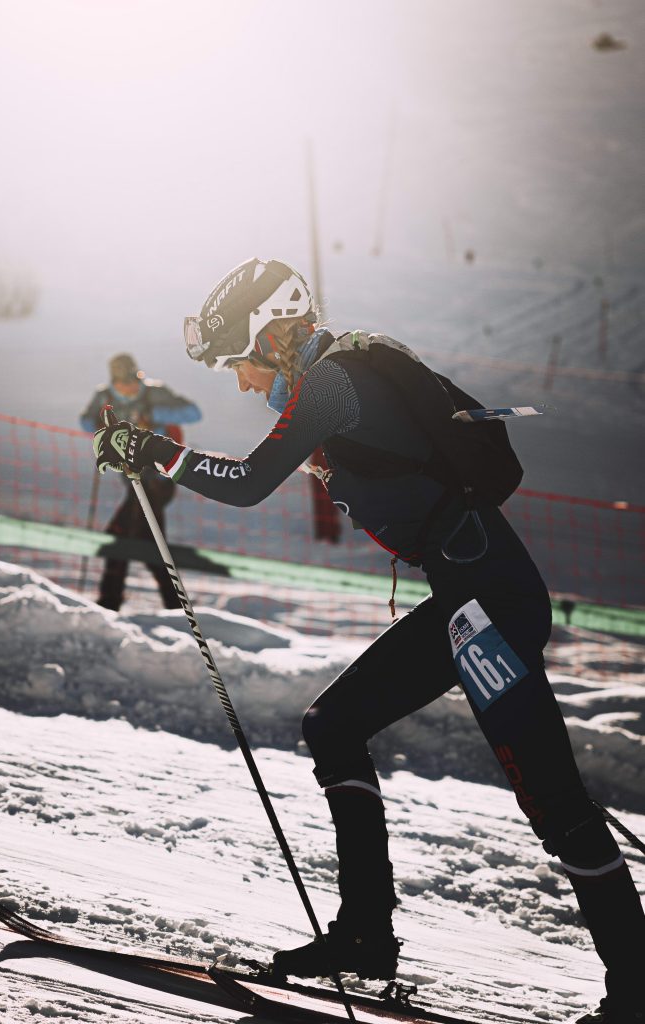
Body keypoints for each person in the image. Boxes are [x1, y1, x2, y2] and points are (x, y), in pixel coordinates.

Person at [92, 259, 645, 1024]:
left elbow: (251, 482)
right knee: (334, 724)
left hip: (490, 605)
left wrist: (158, 453)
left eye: (241, 364)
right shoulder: (335, 370)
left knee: (553, 803)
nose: (245, 385)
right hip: (465, 600)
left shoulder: (330, 382)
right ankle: (363, 937)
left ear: (273, 337)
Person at [80, 352, 201, 611]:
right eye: (122, 383)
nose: (129, 388)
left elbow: (193, 412)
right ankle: (173, 605)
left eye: (132, 380)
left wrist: (154, 413)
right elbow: (85, 421)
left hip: (160, 478)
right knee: (149, 539)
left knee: (121, 535)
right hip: (132, 478)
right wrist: (99, 424)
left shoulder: (154, 393)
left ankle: (110, 602)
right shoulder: (105, 397)